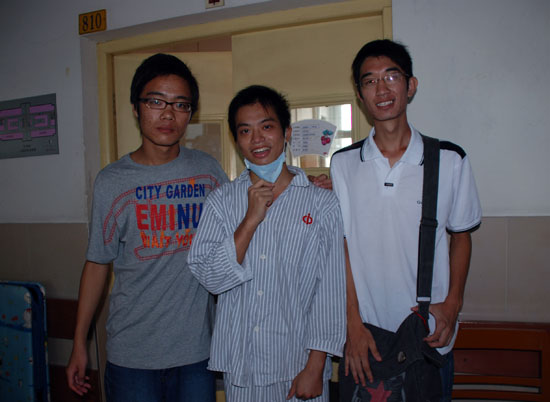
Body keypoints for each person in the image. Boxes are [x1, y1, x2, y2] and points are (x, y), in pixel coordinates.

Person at [66, 53, 228, 402]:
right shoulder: (112, 181)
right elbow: (97, 264)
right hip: (132, 355)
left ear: (191, 113)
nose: (168, 114)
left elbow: (245, 222)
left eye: (181, 104)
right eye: (156, 101)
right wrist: (80, 342)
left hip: (197, 352)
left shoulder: (208, 172)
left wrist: (306, 186)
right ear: (136, 108)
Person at [330, 39, 482, 401]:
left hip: (429, 335)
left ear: (410, 85)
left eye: (391, 76)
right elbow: (341, 246)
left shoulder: (449, 160)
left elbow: (461, 236)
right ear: (360, 95)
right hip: (366, 338)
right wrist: (351, 323)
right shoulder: (344, 164)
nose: (381, 89)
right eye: (370, 81)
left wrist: (453, 305)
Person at [188, 85, 346, 402]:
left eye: (267, 127)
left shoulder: (321, 203)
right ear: (237, 140)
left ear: (286, 132)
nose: (257, 139)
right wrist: (249, 221)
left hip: (299, 363)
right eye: (245, 131)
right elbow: (210, 278)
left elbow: (330, 291)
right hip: (242, 365)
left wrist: (317, 366)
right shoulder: (222, 201)